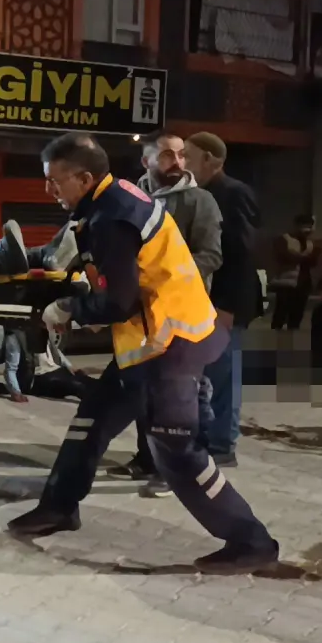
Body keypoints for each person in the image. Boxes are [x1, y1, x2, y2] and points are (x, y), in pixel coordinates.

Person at [7, 132, 279, 574]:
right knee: (91, 421)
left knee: (175, 450)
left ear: (84, 178)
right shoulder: (112, 198)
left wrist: (68, 310)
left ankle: (253, 542)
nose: (48, 190)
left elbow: (119, 301)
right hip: (150, 342)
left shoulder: (112, 216)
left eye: (55, 181)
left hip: (168, 346)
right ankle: (59, 506)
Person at [109, 130, 222, 497]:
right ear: (146, 161)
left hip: (182, 318)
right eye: (167, 155)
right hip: (141, 317)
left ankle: (184, 469)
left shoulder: (199, 201)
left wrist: (163, 277)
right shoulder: (133, 198)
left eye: (181, 155)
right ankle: (148, 459)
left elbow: (211, 256)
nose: (177, 162)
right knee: (145, 393)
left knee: (182, 397)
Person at [184, 132, 260, 469]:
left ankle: (222, 446)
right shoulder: (199, 196)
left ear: (210, 159)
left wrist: (227, 306)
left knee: (222, 374)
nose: (183, 164)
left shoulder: (233, 193)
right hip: (203, 301)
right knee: (206, 373)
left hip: (225, 303)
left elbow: (241, 253)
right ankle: (206, 439)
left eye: (188, 157)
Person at [270, 214, 318, 331]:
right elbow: (284, 257)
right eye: (304, 227)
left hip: (303, 283)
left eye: (309, 227)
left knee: (297, 315)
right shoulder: (284, 239)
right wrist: (304, 257)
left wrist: (302, 257)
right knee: (281, 314)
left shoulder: (310, 243)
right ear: (297, 226)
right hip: (286, 282)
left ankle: (292, 337)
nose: (307, 230)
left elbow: (313, 261)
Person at [1, 329, 30, 403]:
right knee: (11, 368)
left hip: (11, 336)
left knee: (11, 368)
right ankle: (16, 392)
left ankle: (15, 391)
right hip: (14, 337)